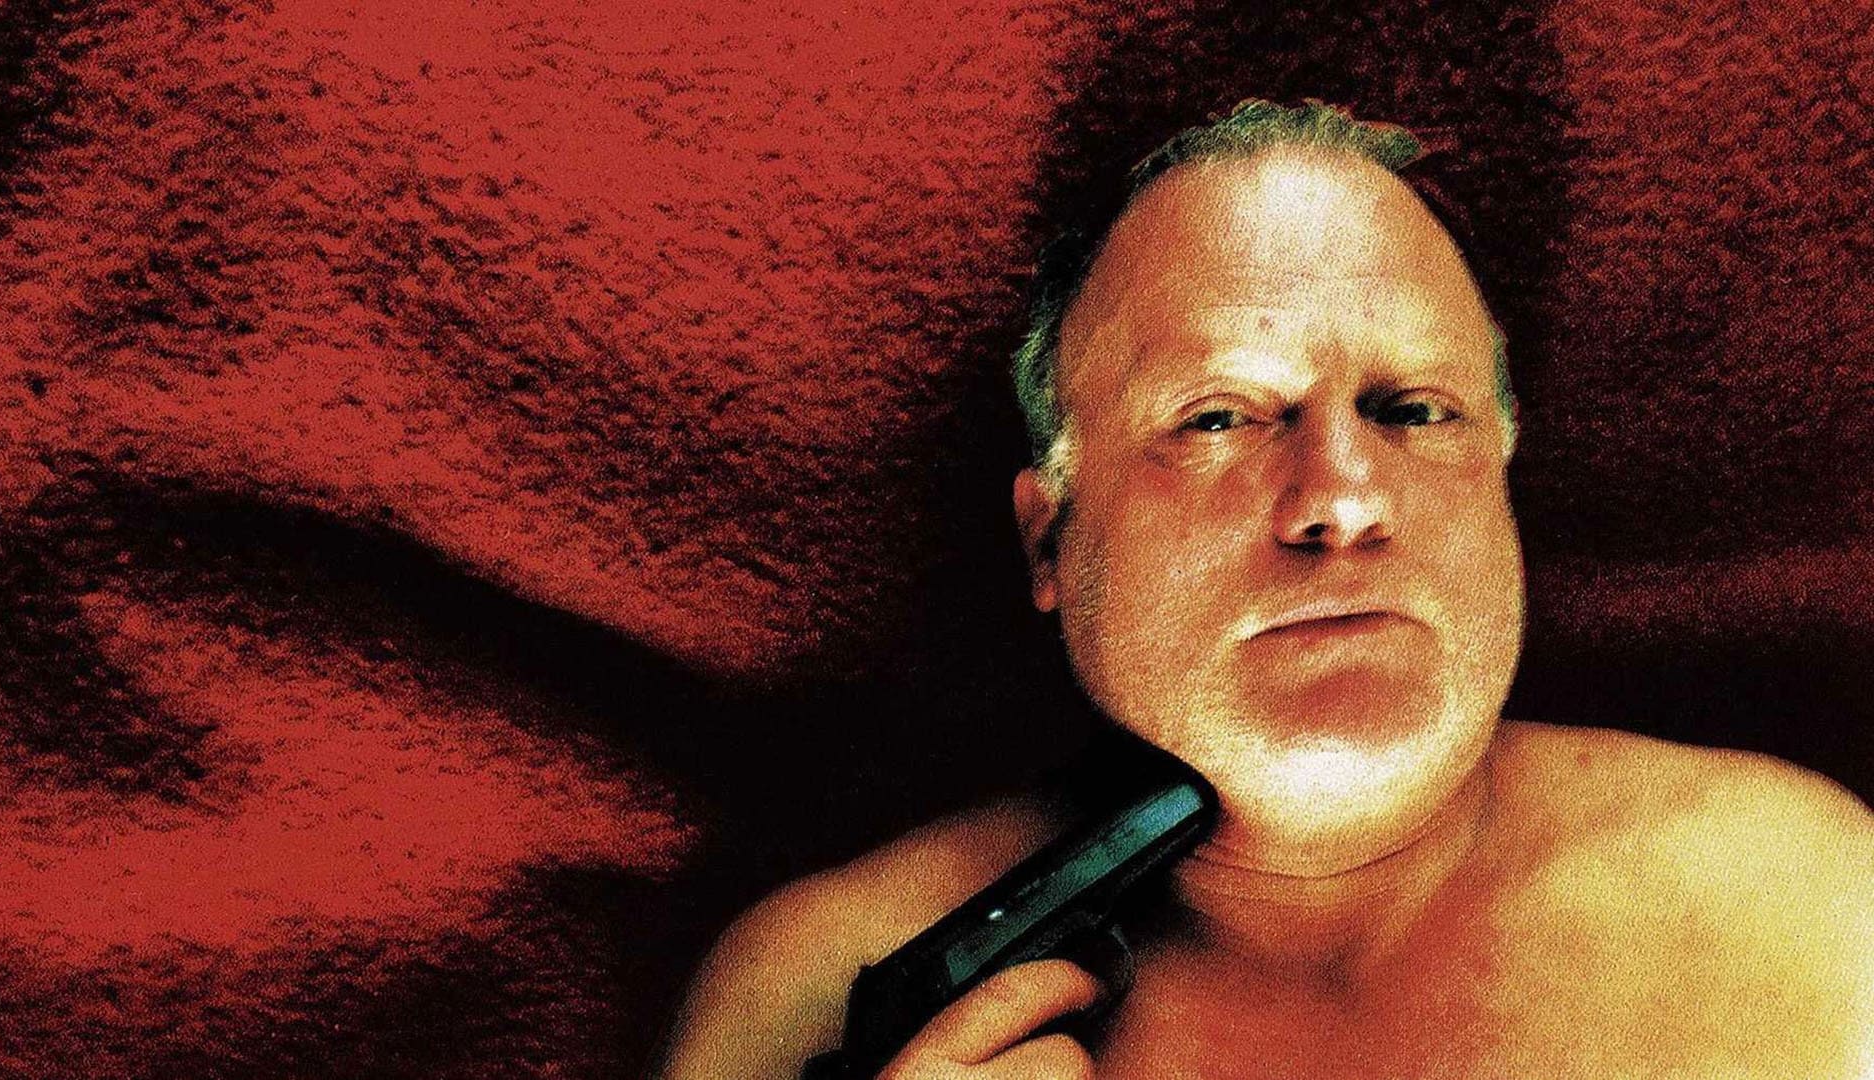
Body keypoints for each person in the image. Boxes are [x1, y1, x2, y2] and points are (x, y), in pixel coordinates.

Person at [654, 101, 1874, 1078]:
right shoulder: (810, 995)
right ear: (1048, 540)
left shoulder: (1806, 904)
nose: (1342, 494)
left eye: (1415, 411)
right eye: (1219, 418)